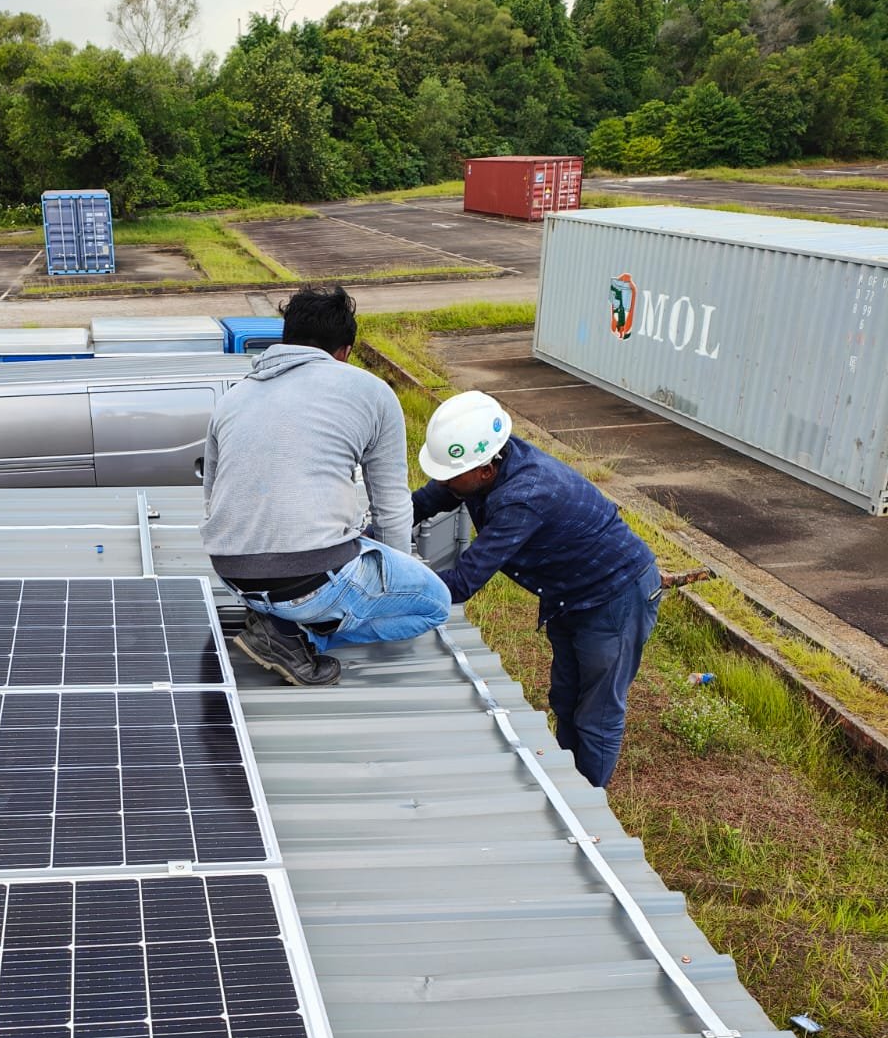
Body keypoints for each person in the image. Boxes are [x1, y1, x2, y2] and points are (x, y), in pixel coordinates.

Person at [201, 284, 451, 687]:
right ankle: (296, 634)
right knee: (434, 605)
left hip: (232, 575)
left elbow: (212, 497)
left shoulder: (234, 396)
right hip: (311, 582)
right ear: (345, 352)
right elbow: (390, 503)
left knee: (333, 554)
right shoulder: (371, 391)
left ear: (286, 340)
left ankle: (274, 618)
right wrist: (394, 567)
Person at [413, 390, 662, 788]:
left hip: (616, 596)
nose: (442, 480)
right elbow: (425, 501)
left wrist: (391, 584)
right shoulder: (484, 466)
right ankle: (569, 781)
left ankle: (588, 802)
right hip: (571, 595)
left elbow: (461, 583)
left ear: (484, 470)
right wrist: (365, 540)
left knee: (596, 712)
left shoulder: (524, 498)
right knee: (565, 696)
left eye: (449, 473)